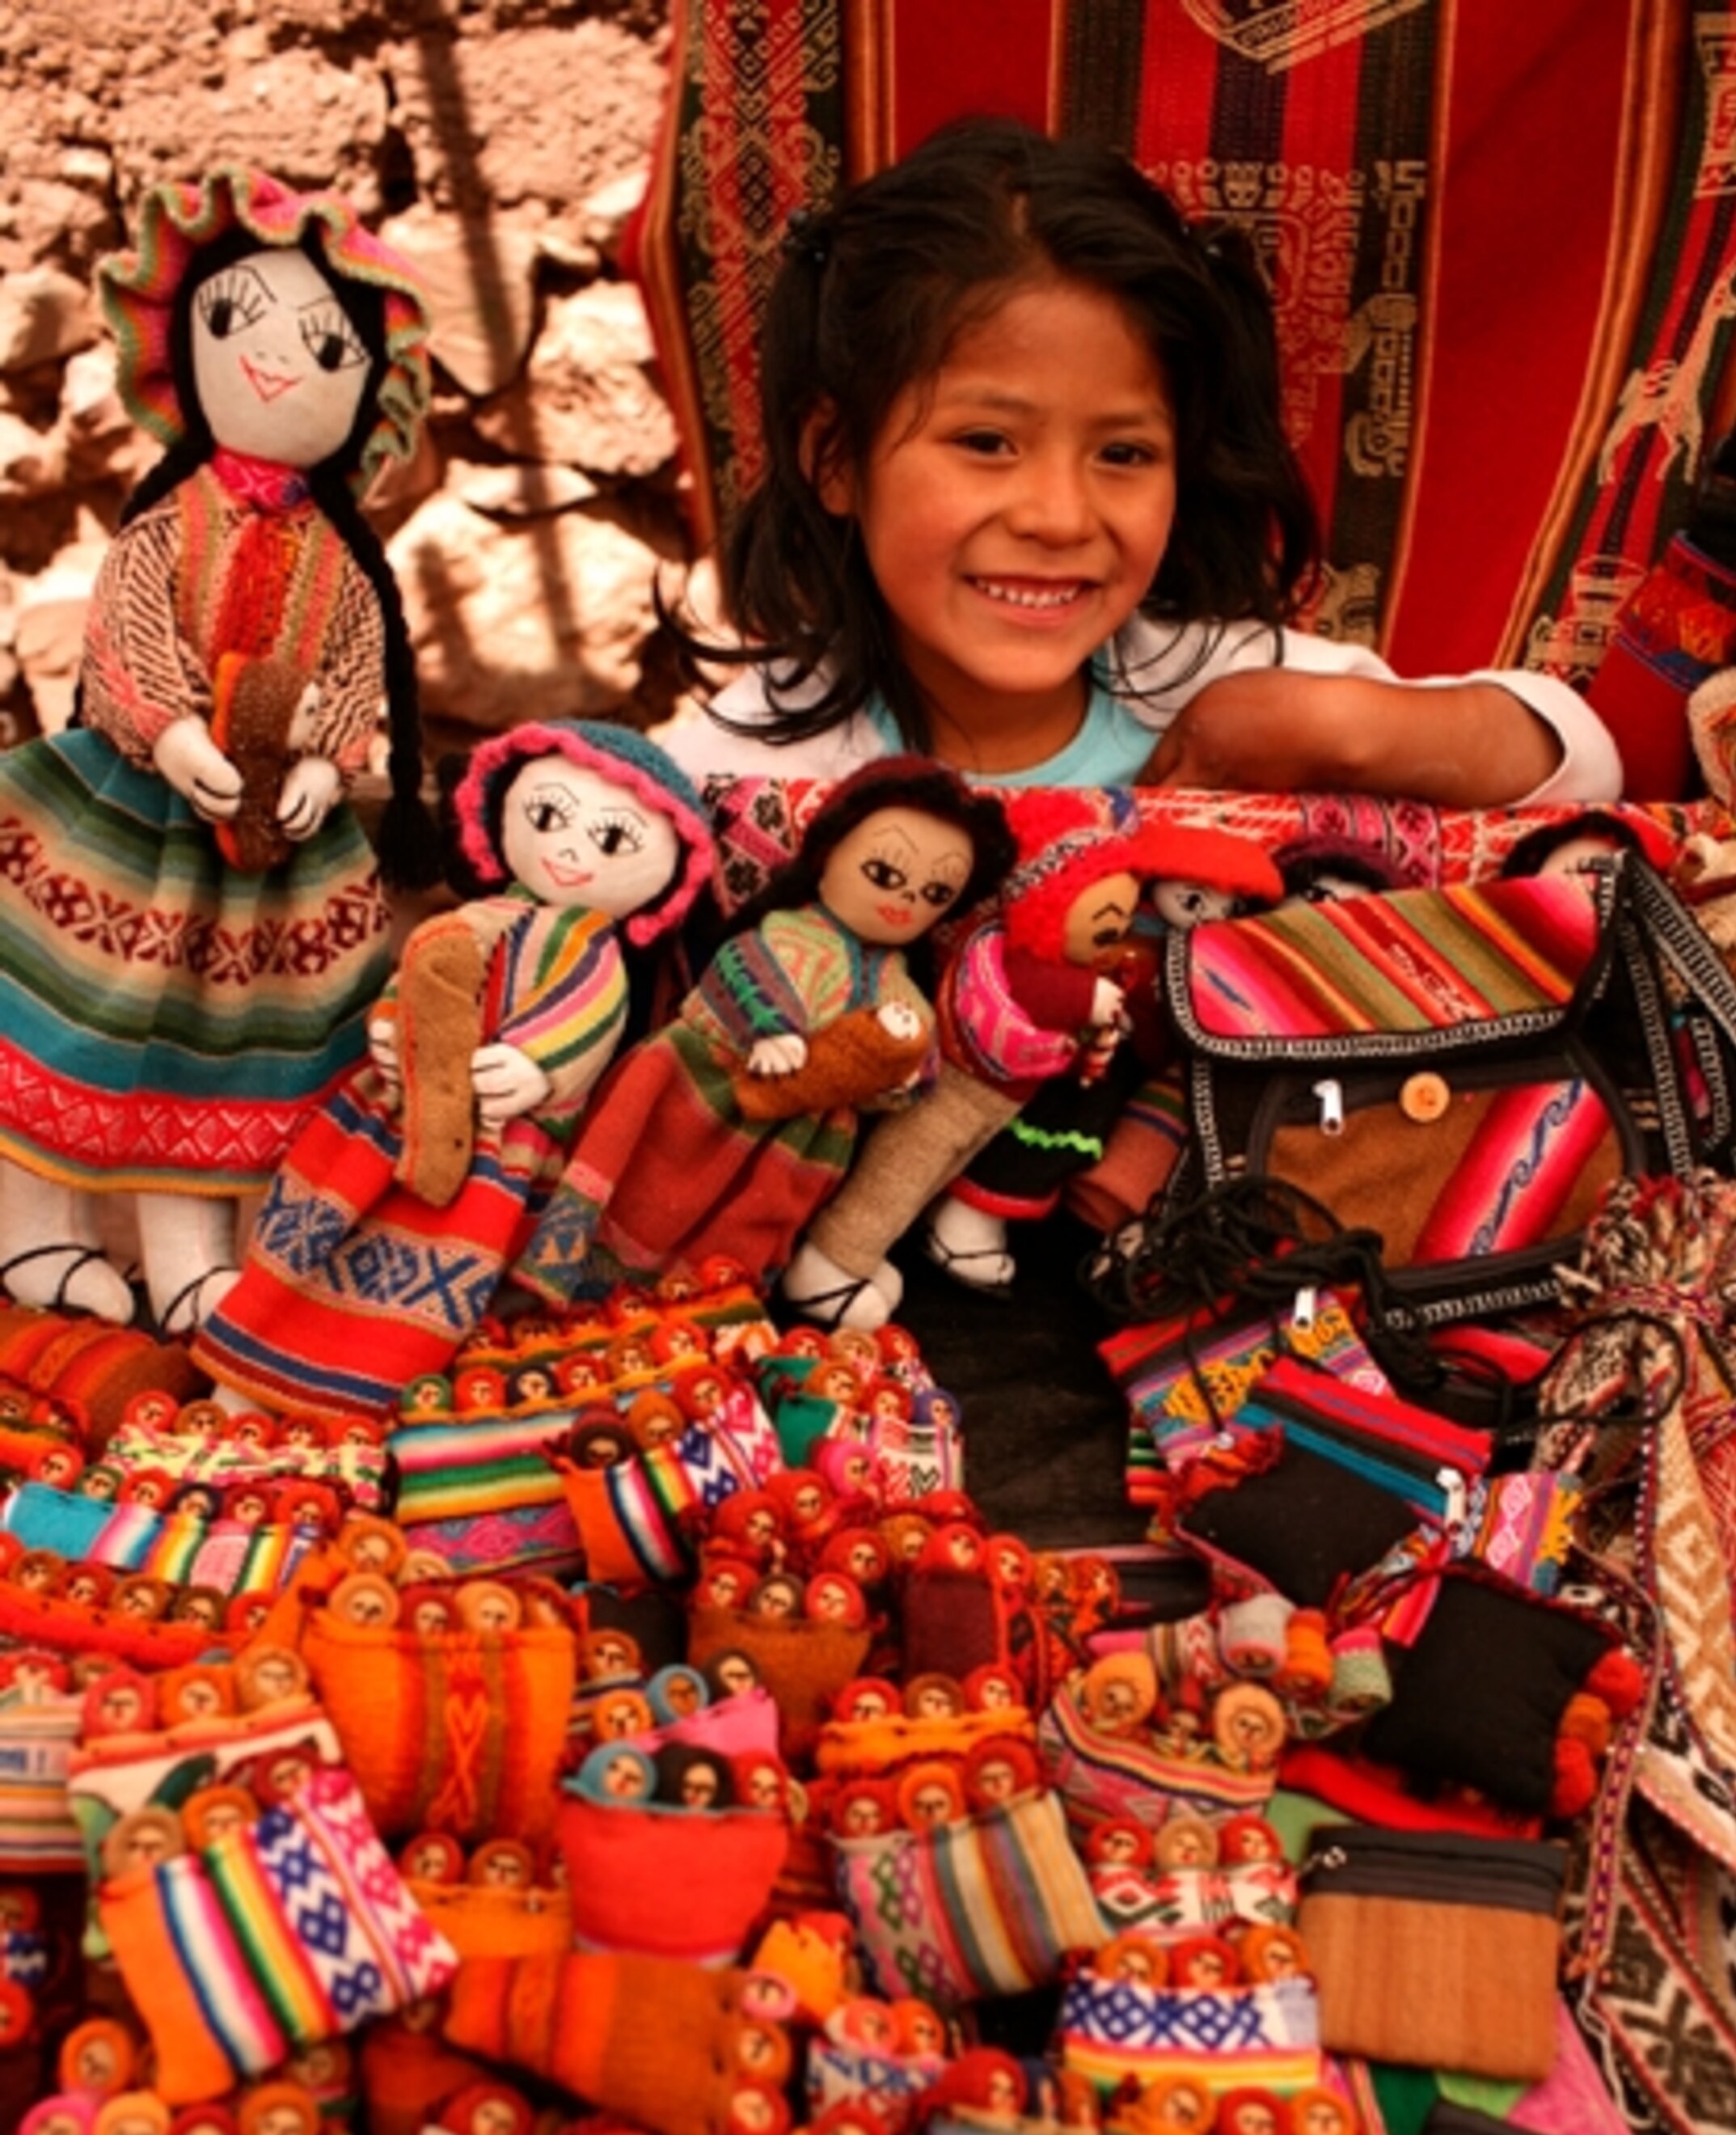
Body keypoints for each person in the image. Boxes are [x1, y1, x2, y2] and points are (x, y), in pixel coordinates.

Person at [658, 115, 1620, 805]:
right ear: (836, 459)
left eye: (1123, 452)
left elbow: (1580, 760)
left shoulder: (1218, 690)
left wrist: (1341, 733)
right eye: (987, 443)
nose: (1060, 517)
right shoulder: (740, 780)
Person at [0, 169, 434, 1337]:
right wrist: (174, 729)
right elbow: (129, 631)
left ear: (371, 393)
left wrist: (324, 764)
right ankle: (32, 1229)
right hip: (133, 823)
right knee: (72, 1024)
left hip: (264, 863)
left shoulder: (342, 563)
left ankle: (192, 1257)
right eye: (239, 321)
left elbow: (355, 668)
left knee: (219, 1054)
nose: (277, 363)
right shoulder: (165, 526)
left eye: (324, 348)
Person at [192, 721, 715, 1418]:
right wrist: (392, 1026)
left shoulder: (596, 956)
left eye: (611, 839)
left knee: (443, 1268)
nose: (569, 850)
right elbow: (415, 975)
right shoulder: (474, 919)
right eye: (550, 818)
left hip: (497, 1136)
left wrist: (536, 1067)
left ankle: (366, 1395)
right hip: (395, 1112)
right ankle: (252, 1368)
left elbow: (588, 1021)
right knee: (319, 1231)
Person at [514, 758, 1016, 1297]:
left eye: (935, 894)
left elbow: (917, 1058)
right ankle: (588, 1280)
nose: (906, 900)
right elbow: (738, 966)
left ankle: (705, 1298)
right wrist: (767, 1026)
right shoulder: (782, 930)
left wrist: (901, 1074)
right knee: (648, 1190)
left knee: (747, 1222)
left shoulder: (896, 983)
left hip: (799, 1132)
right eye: (884, 875)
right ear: (827, 855)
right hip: (700, 1082)